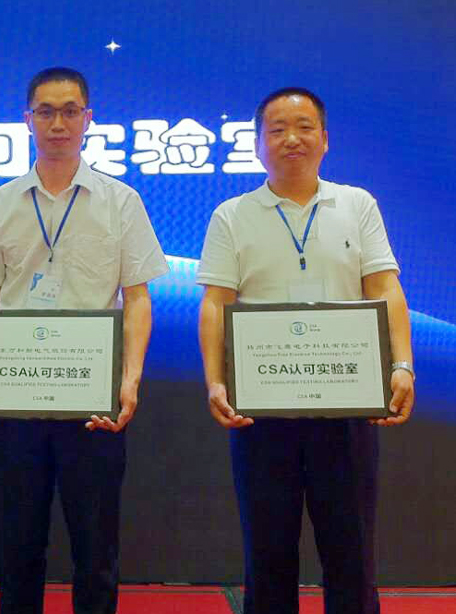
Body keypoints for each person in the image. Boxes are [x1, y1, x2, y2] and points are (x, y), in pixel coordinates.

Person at [0, 67, 169, 614]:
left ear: (88, 119)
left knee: (96, 548)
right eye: (45, 112)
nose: (57, 123)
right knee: (16, 545)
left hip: (92, 401)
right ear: (27, 120)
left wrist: (129, 381)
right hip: (11, 398)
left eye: (70, 111)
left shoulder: (120, 201)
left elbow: (137, 298)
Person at [197, 87, 415, 614]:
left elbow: (385, 287)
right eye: (277, 129)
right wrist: (216, 380)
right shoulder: (232, 214)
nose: (291, 138)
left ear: (325, 138)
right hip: (261, 412)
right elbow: (216, 303)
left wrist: (402, 364)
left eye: (304, 127)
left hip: (346, 406)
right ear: (257, 145)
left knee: (352, 550)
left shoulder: (357, 204)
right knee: (267, 550)